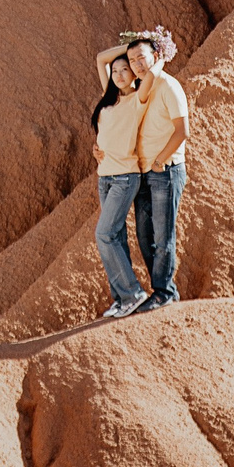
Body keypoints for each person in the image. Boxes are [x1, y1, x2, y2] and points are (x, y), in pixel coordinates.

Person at [94, 25, 188, 311]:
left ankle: (163, 292)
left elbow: (182, 130)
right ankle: (149, 293)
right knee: (144, 236)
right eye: (128, 63)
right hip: (140, 173)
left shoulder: (157, 89)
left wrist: (158, 55)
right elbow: (102, 60)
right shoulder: (115, 96)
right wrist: (133, 49)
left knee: (161, 236)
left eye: (138, 61)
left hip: (162, 171)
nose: (132, 67)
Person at [90, 49, 151, 317]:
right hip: (104, 177)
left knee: (104, 234)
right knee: (116, 236)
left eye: (125, 69)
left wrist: (134, 50)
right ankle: (121, 298)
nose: (118, 75)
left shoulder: (137, 99)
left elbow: (152, 71)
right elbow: (100, 59)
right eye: (115, 72)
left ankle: (133, 293)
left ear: (134, 72)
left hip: (125, 177)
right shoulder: (110, 99)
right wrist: (97, 147)